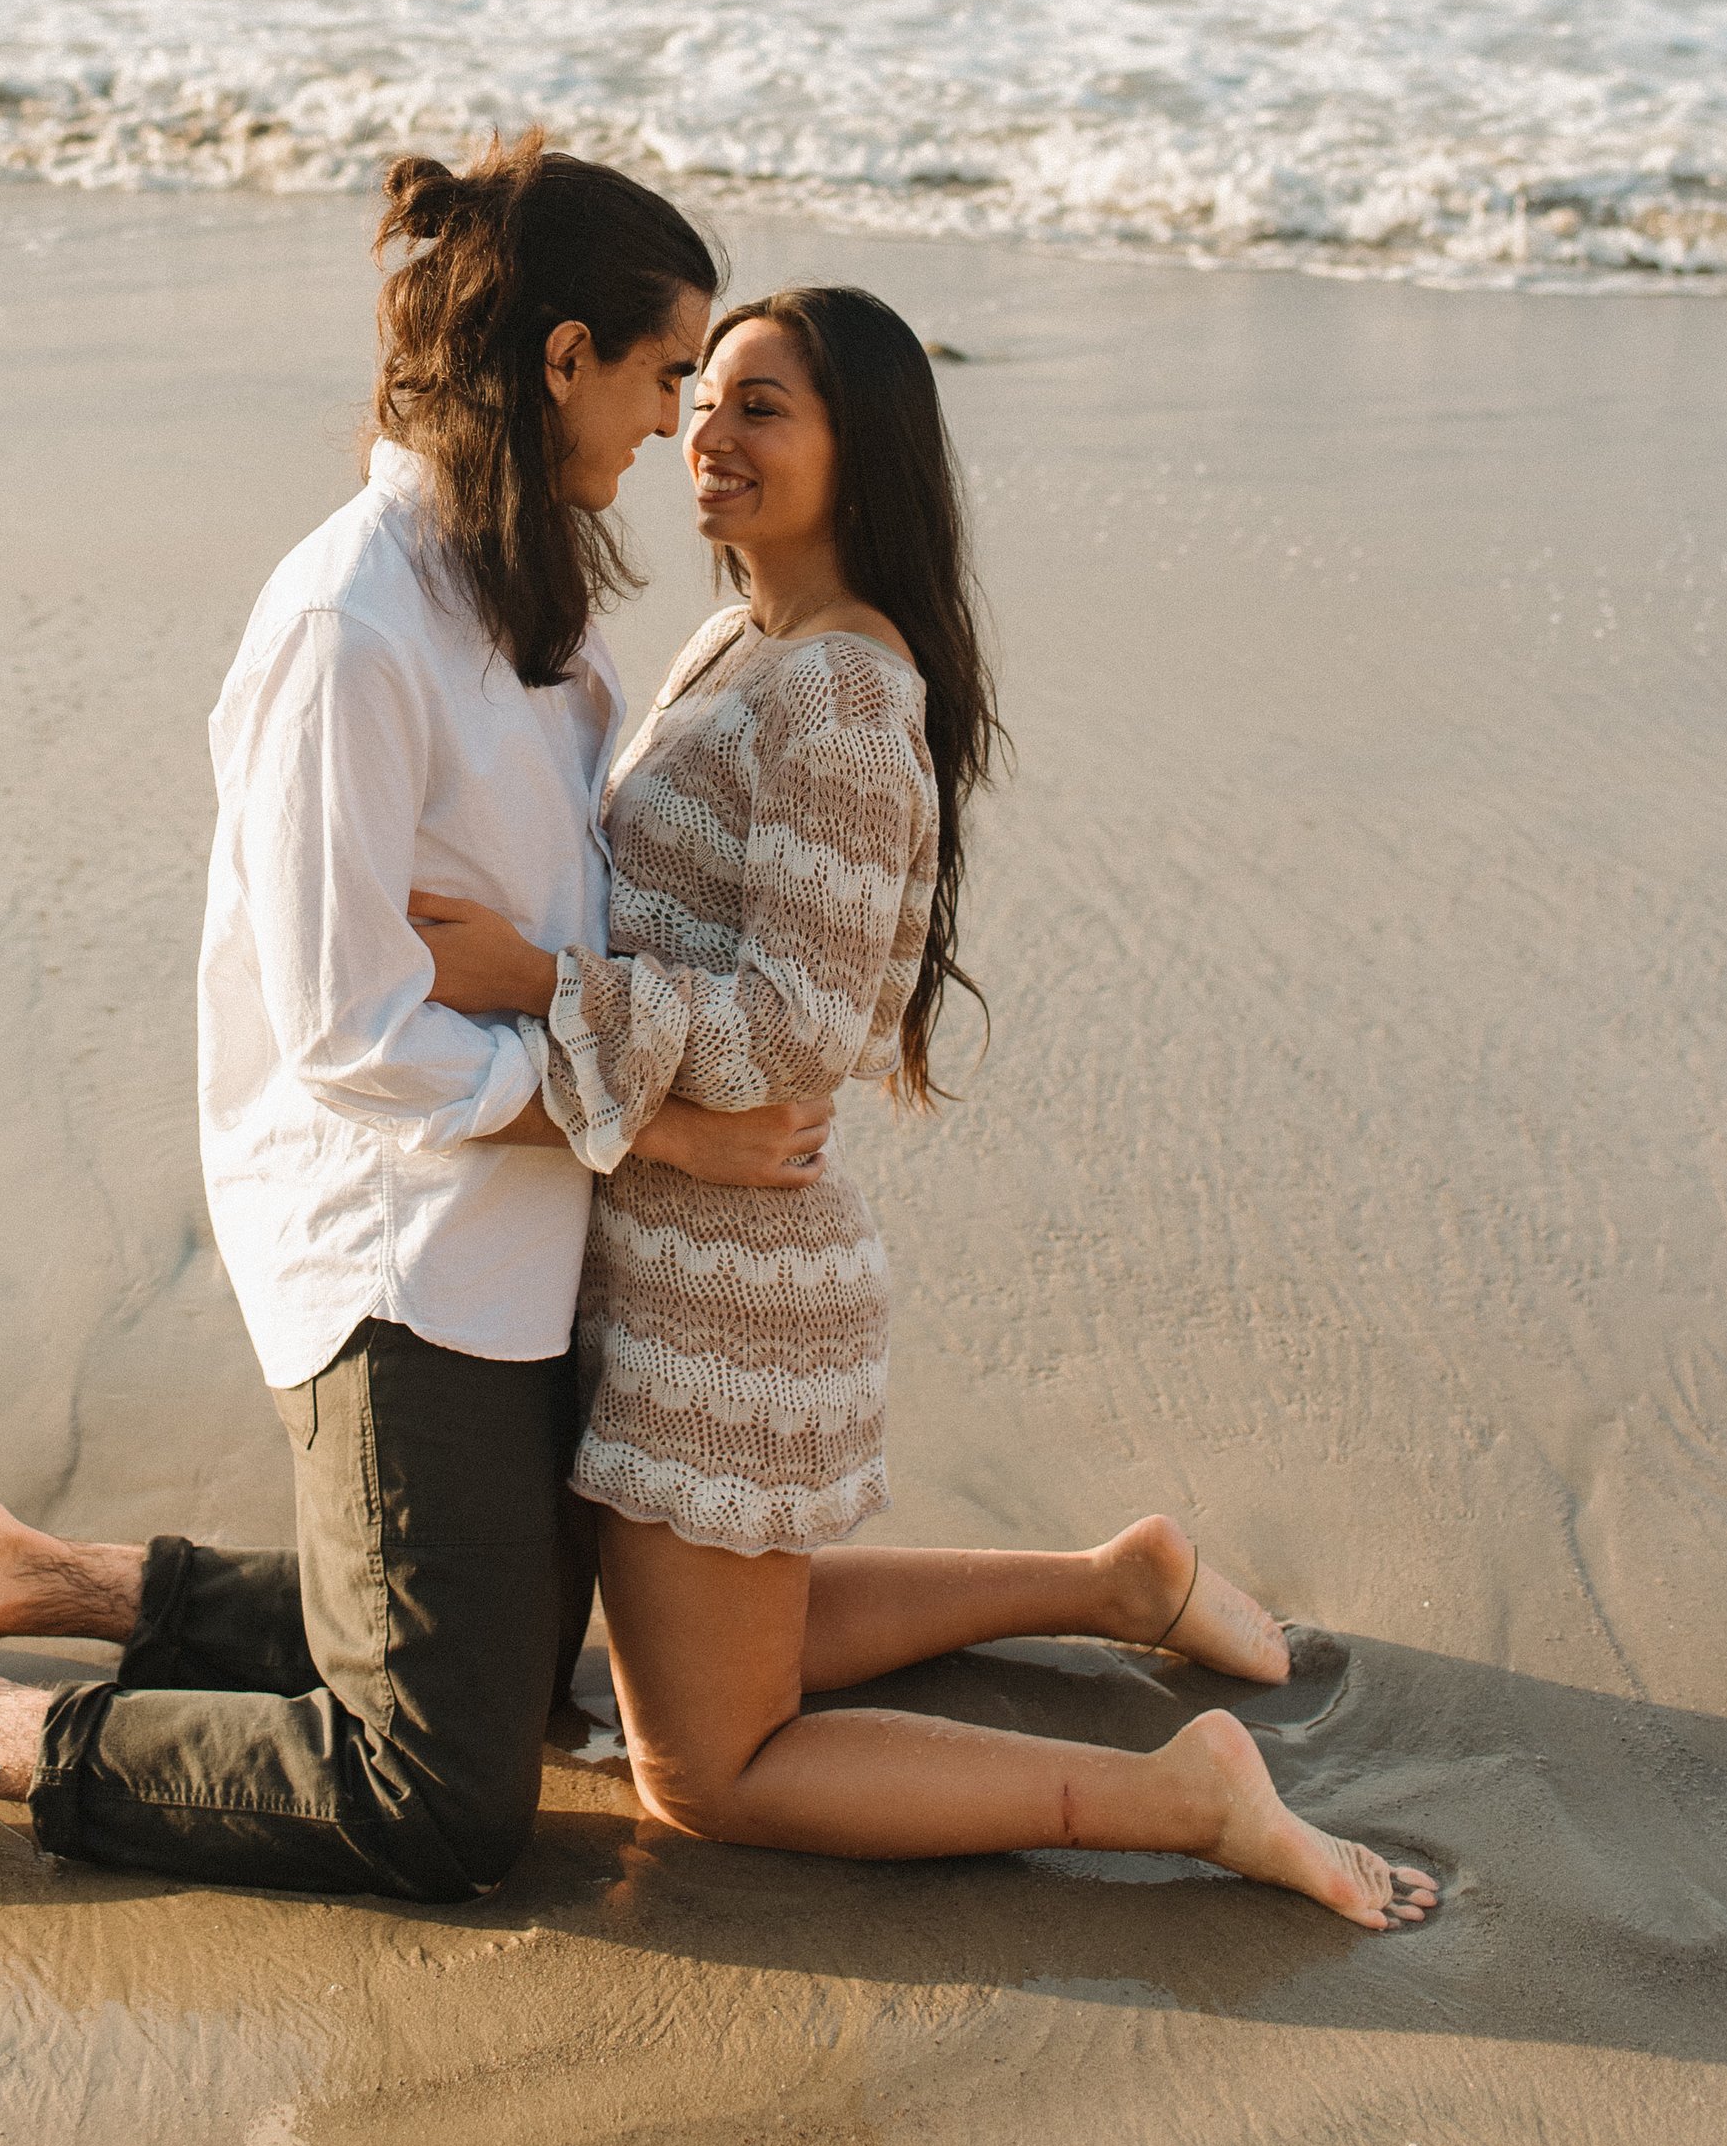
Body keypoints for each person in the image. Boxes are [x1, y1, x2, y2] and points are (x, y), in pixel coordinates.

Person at [0, 137, 834, 1898]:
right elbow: (356, 1036)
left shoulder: (530, 607)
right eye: (668, 371)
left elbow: (542, 926)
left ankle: (21, 1574)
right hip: (398, 1243)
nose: (680, 422)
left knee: (514, 1684)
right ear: (561, 357)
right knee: (439, 1799)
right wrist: (662, 1120)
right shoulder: (348, 619)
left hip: (522, 1221)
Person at [406, 286, 1437, 1930]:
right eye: (704, 399)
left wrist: (536, 977)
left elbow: (801, 1031)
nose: (708, 433)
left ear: (859, 448)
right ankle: (1120, 1581)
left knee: (712, 1767)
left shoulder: (843, 699)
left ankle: (1185, 1796)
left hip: (731, 1290)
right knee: (742, 1623)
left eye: (764, 409)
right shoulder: (746, 639)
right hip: (682, 1245)